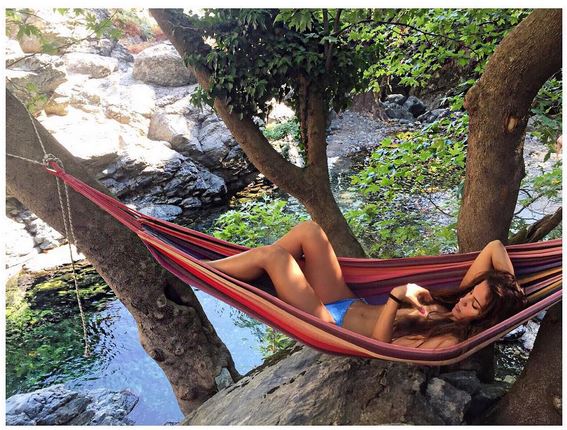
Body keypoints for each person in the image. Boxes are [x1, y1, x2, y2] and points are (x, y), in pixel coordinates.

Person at [205, 221, 527, 349]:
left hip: (331, 325)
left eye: (474, 304)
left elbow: (382, 345)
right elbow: (494, 248)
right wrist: (513, 292)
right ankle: (250, 270)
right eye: (470, 293)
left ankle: (202, 270)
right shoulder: (456, 305)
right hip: (347, 302)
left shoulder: (447, 340)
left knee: (275, 257)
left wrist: (396, 297)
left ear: (486, 319)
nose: (464, 299)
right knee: (309, 231)